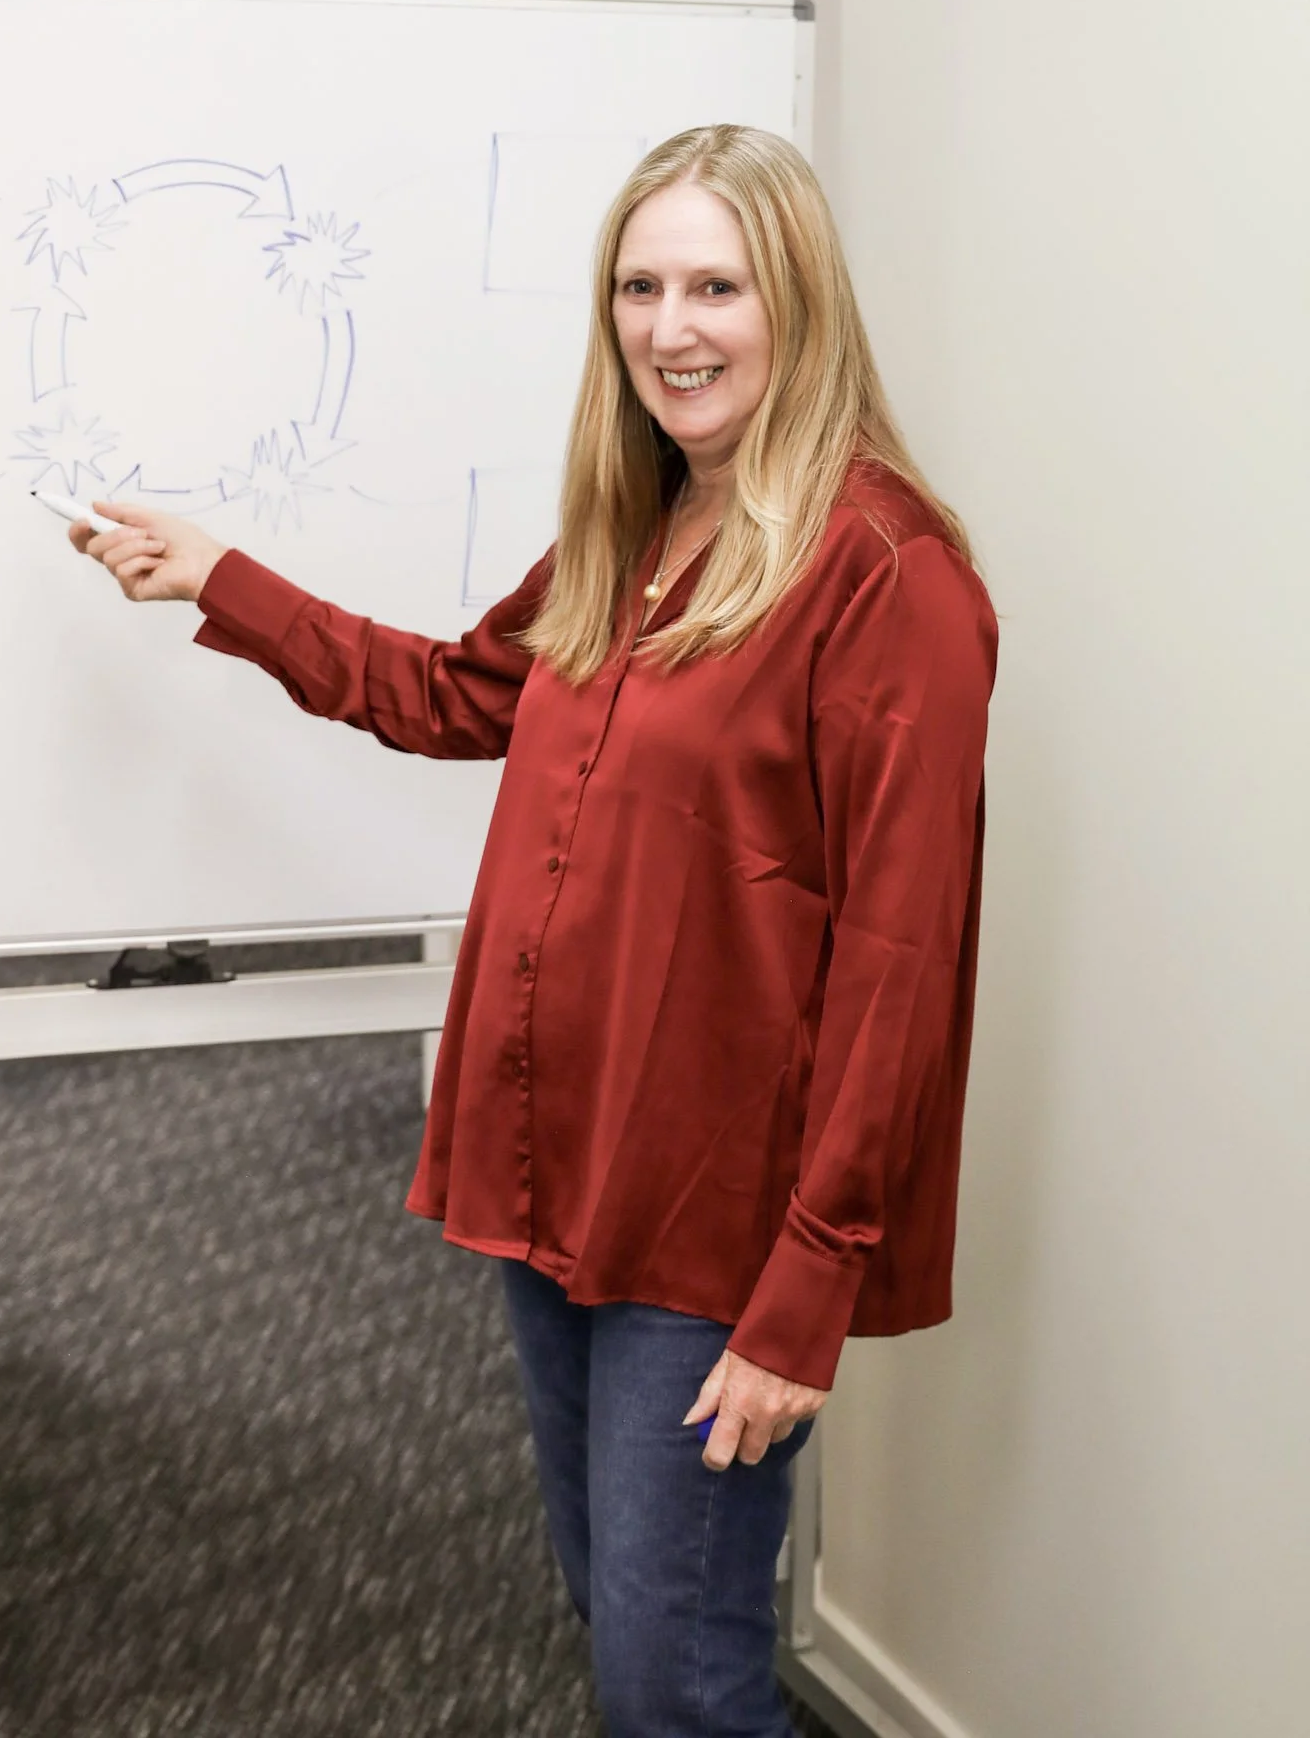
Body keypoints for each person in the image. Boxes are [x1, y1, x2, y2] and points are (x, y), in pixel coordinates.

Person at [71, 124, 997, 1737]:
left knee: (674, 1681)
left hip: (714, 1229)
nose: (671, 327)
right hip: (557, 1174)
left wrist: (809, 1290)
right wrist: (226, 579)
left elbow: (902, 973)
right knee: (620, 1613)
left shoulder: (887, 575)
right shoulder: (639, 532)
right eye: (640, 286)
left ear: (801, 306)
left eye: (718, 285)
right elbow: (451, 695)